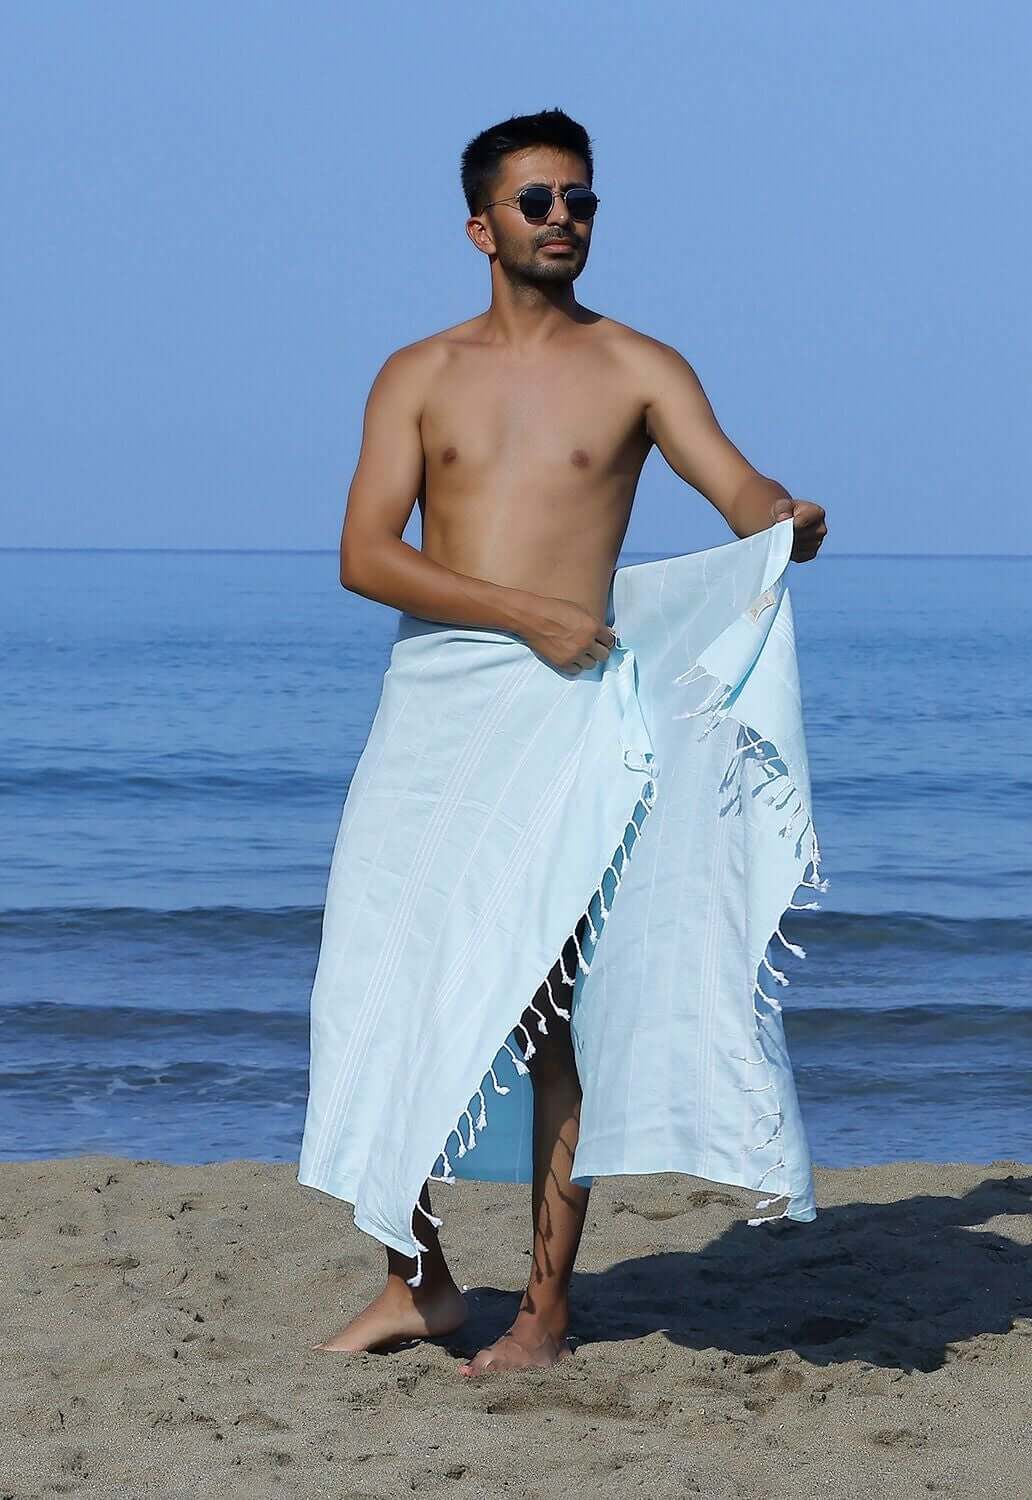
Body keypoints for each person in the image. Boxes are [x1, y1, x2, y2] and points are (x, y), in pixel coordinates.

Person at [303, 107, 827, 1375]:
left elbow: (739, 486)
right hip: (440, 708)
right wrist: (521, 611)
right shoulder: (416, 374)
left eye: (581, 200)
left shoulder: (640, 367)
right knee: (389, 981)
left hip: (575, 712)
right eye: (538, 201)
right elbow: (366, 555)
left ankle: (544, 1309)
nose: (564, 220)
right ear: (481, 224)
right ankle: (417, 1278)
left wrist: (784, 520)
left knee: (548, 1010)